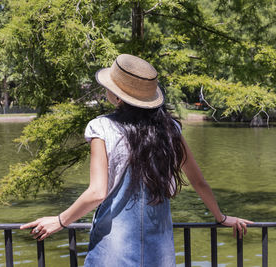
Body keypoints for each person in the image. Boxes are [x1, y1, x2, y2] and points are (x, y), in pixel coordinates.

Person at [20, 54, 253, 266]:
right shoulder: (169, 130)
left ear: (118, 97)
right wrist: (221, 218)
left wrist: (59, 221)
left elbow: (97, 193)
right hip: (159, 253)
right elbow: (199, 182)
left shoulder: (102, 127)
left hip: (113, 250)